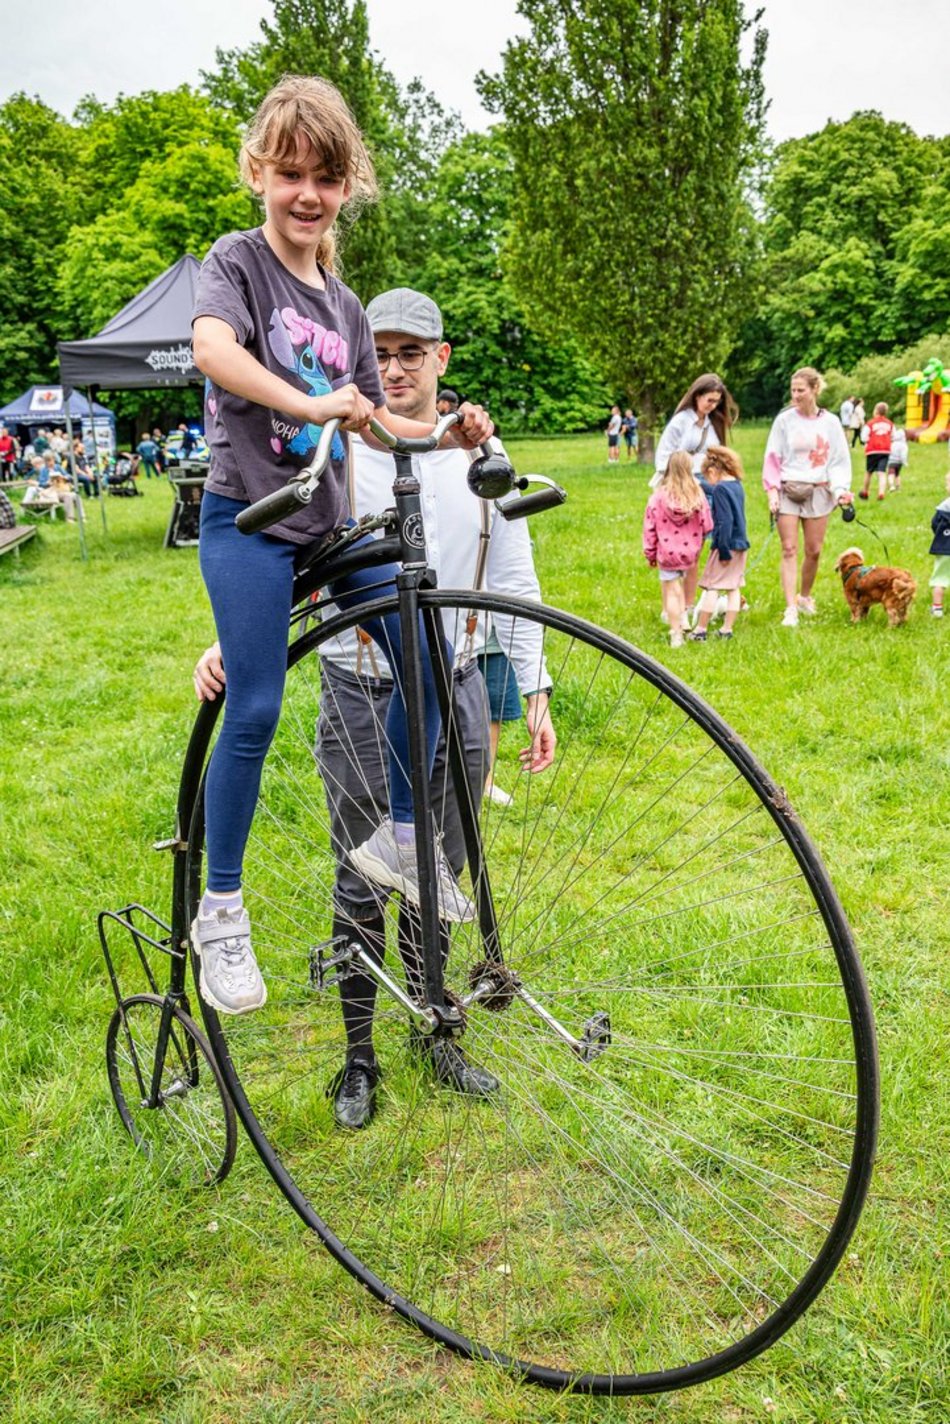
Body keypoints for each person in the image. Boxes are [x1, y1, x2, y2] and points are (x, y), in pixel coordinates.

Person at [195, 284, 555, 1126]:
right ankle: (358, 1056)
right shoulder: (338, 447)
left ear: (442, 361)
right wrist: (232, 638)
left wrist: (533, 688)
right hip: (362, 688)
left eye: (410, 353)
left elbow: (512, 575)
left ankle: (436, 1033)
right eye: (380, 353)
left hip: (457, 685)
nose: (393, 368)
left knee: (442, 874)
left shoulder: (478, 452)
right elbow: (292, 551)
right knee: (362, 877)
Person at [188, 76, 493, 1022]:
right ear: (260, 174)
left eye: (324, 176)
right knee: (256, 705)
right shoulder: (237, 263)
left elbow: (373, 425)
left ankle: (402, 837)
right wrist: (305, 401)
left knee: (429, 659)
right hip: (248, 519)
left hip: (323, 527)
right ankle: (221, 907)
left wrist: (442, 435)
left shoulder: (350, 307)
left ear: (347, 185)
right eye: (289, 174)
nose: (306, 194)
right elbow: (211, 351)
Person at [763, 367, 854, 627]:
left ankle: (804, 597)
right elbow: (772, 456)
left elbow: (838, 460)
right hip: (788, 488)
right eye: (793, 390)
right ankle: (790, 608)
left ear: (815, 389)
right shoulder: (784, 420)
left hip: (819, 489)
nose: (795, 395)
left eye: (801, 390)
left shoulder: (831, 422)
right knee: (789, 548)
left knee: (813, 550)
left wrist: (840, 490)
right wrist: (772, 490)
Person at [651, 374, 739, 626]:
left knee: (694, 549)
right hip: (679, 486)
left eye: (716, 402)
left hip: (705, 488)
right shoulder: (681, 422)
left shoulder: (712, 424)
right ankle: (670, 606)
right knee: (672, 549)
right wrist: (673, 485)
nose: (712, 405)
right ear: (697, 395)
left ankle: (688, 604)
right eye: (709, 400)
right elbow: (664, 455)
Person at [643, 450, 713, 648]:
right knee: (680, 584)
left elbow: (649, 528)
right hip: (690, 551)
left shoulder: (658, 498)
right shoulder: (697, 495)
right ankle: (682, 618)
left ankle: (676, 633)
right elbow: (707, 524)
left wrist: (650, 553)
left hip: (667, 552)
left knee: (672, 589)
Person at [687, 446, 749, 642]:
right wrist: (700, 485)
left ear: (713, 471)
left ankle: (700, 630)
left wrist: (721, 549)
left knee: (712, 587)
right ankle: (726, 629)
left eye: (708, 476)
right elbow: (715, 488)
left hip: (725, 545)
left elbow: (724, 521)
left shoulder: (721, 489)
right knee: (733, 587)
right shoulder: (736, 485)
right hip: (740, 544)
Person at [859, 401, 893, 501]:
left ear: (876, 411)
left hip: (872, 450)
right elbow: (893, 436)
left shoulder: (871, 423)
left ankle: (865, 491)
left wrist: (867, 441)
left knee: (869, 472)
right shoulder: (889, 423)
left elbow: (864, 437)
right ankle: (881, 492)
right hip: (885, 450)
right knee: (882, 472)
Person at [928, 473, 950, 617]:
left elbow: (935, 524)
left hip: (944, 548)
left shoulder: (944, 506)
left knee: (940, 579)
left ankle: (937, 609)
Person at [887, 423, 908, 494]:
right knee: (897, 474)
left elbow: (888, 452)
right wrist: (904, 462)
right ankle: (898, 486)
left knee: (890, 474)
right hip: (899, 462)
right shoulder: (903, 445)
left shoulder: (892, 444)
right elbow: (904, 454)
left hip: (891, 461)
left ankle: (891, 486)